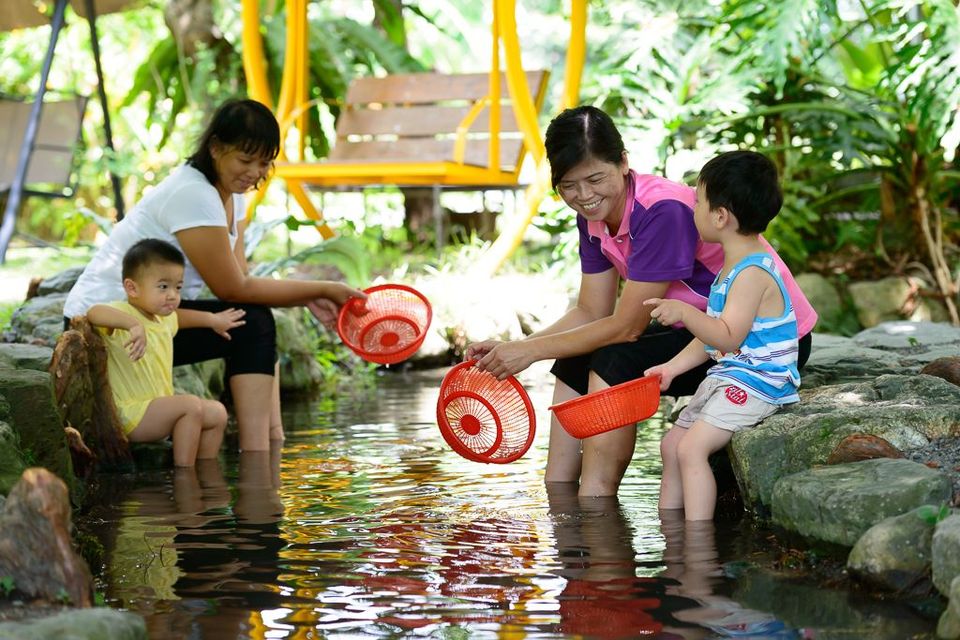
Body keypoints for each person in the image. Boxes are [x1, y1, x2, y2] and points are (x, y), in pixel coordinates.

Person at [466, 106, 817, 497]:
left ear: (623, 163)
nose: (584, 196)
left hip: (762, 343)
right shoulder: (593, 216)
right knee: (575, 353)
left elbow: (626, 327)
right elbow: (590, 313)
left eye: (595, 178)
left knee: (615, 358)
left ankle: (596, 498)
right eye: (568, 185)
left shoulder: (662, 211)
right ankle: (558, 493)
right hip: (699, 333)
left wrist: (528, 352)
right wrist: (516, 349)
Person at [64, 98, 365, 451]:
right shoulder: (193, 192)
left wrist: (310, 297)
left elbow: (241, 279)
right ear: (216, 147)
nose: (254, 172)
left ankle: (271, 441)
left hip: (155, 315)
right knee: (251, 322)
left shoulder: (231, 194)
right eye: (245, 159)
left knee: (251, 321)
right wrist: (324, 289)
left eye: (264, 162)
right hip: (108, 324)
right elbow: (233, 287)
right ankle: (258, 454)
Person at [644, 150, 800, 521]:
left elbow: (727, 337)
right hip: (731, 375)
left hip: (761, 383)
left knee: (692, 448)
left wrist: (684, 312)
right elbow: (712, 337)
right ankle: (670, 531)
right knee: (671, 444)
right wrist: (671, 367)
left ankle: (697, 544)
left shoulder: (751, 273)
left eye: (698, 201)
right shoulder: (732, 265)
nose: (693, 208)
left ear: (720, 216)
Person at [87, 239, 239, 467]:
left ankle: (206, 472)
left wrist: (212, 320)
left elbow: (181, 317)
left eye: (178, 287)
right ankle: (185, 476)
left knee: (217, 413)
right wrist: (133, 325)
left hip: (159, 411)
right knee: (189, 405)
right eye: (163, 286)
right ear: (132, 288)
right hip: (130, 414)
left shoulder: (162, 319)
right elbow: (94, 312)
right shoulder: (122, 313)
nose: (172, 295)